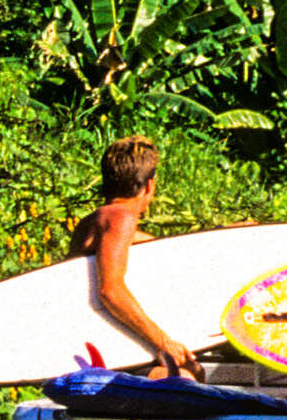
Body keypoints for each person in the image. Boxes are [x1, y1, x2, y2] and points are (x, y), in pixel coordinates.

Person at [65, 137, 202, 378]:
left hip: (95, 346)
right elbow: (111, 291)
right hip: (108, 355)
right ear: (149, 186)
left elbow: (145, 243)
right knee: (185, 380)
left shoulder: (96, 220)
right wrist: (164, 342)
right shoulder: (121, 218)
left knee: (194, 370)